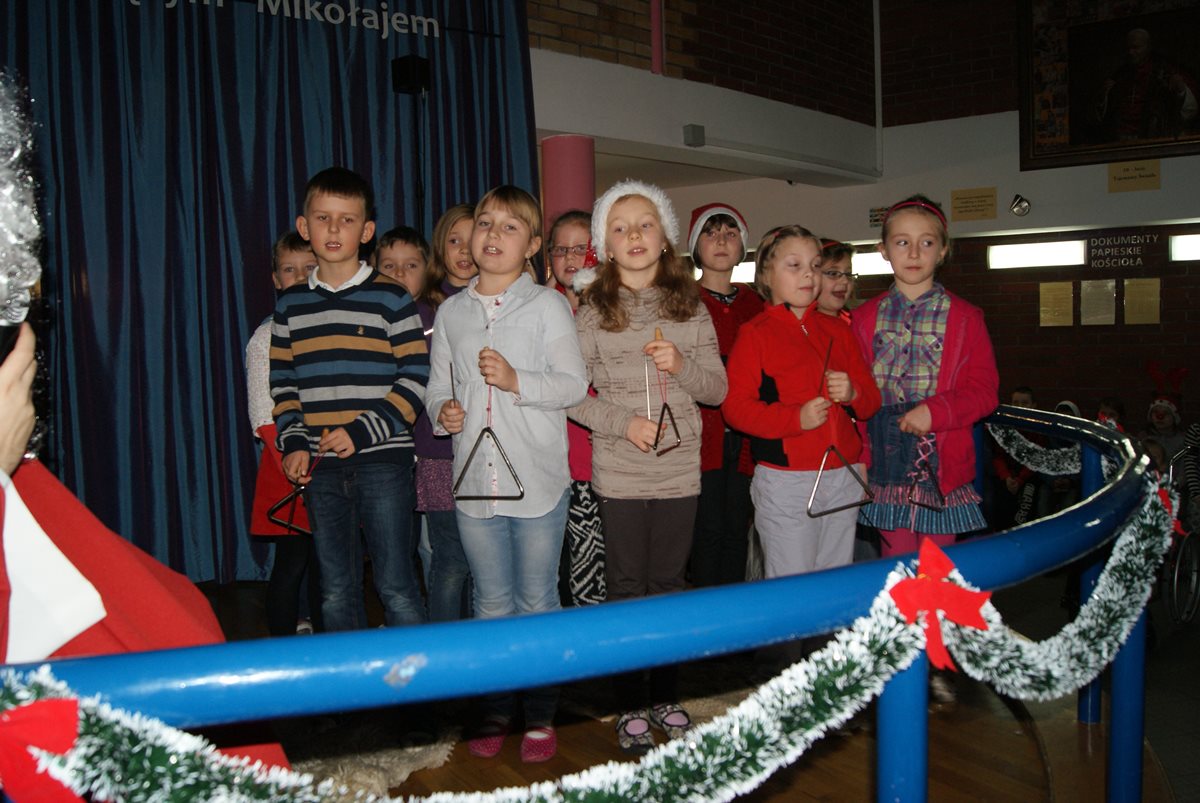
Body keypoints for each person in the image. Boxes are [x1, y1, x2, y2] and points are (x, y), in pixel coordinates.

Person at [426, 185, 587, 764]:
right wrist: (443, 413)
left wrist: (519, 381)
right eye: (485, 223)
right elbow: (437, 387)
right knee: (490, 603)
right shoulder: (451, 312)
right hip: (475, 485)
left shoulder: (548, 306)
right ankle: (495, 709)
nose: (492, 234)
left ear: (533, 245)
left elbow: (573, 385)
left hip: (538, 483)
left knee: (538, 600)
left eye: (509, 226)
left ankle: (540, 715)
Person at [568, 180, 727, 754]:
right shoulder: (591, 312)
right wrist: (623, 423)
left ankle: (665, 695)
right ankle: (630, 701)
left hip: (679, 472)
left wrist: (681, 365)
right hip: (620, 472)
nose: (634, 234)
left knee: (668, 586)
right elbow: (570, 395)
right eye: (620, 227)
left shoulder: (692, 305)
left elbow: (716, 390)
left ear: (665, 239)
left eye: (645, 223)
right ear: (606, 246)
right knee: (626, 587)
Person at [270, 167, 429, 632]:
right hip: (321, 465)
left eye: (347, 219)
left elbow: (414, 379)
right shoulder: (290, 306)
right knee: (336, 589)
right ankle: (352, 678)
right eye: (323, 218)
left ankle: (418, 676)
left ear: (366, 230)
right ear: (305, 227)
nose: (334, 229)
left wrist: (361, 432)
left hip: (383, 462)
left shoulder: (392, 297)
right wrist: (294, 442)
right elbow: (283, 383)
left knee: (396, 585)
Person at [723, 225, 880, 581]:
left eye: (815, 265)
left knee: (835, 581)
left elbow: (871, 402)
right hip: (787, 480)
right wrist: (795, 419)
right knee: (792, 583)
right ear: (767, 275)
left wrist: (854, 393)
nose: (808, 274)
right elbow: (735, 409)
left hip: (842, 474)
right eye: (794, 265)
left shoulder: (838, 330)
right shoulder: (755, 334)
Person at [851, 195, 998, 559]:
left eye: (926, 242)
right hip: (883, 459)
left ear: (943, 250)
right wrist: (860, 457)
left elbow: (984, 392)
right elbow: (858, 398)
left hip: (942, 457)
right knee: (896, 567)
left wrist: (936, 412)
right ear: (884, 250)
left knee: (937, 567)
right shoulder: (863, 319)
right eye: (902, 242)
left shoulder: (966, 318)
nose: (914, 253)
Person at [246, 232, 321, 636]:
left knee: (329, 566)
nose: (300, 277)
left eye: (309, 268)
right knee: (291, 564)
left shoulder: (333, 326)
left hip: (332, 461)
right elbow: (263, 412)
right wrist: (294, 463)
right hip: (288, 467)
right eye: (290, 270)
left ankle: (329, 645)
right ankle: (281, 646)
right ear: (276, 279)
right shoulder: (267, 337)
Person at [687, 203, 763, 587]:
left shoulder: (756, 304)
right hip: (701, 435)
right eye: (711, 233)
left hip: (747, 438)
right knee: (706, 530)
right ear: (695, 245)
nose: (721, 241)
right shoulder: (683, 300)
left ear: (742, 247)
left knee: (738, 528)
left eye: (730, 234)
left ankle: (738, 616)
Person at [413, 210, 474, 622]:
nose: (464, 251)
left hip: (491, 451)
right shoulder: (423, 311)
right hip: (438, 453)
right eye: (454, 241)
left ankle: (484, 648)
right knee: (450, 559)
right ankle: (446, 650)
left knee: (486, 563)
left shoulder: (502, 305)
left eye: (473, 240)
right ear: (440, 247)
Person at [545, 209, 607, 606]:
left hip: (598, 463)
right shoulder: (535, 308)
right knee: (550, 577)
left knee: (591, 575)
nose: (570, 257)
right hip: (547, 466)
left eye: (580, 248)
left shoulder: (613, 309)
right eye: (560, 249)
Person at [374, 225, 428, 299]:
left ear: (427, 271)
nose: (399, 273)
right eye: (389, 266)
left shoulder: (437, 305)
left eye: (411, 265)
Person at [815, 238, 857, 320]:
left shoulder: (857, 321)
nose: (845, 281)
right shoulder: (798, 325)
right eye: (833, 273)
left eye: (848, 274)